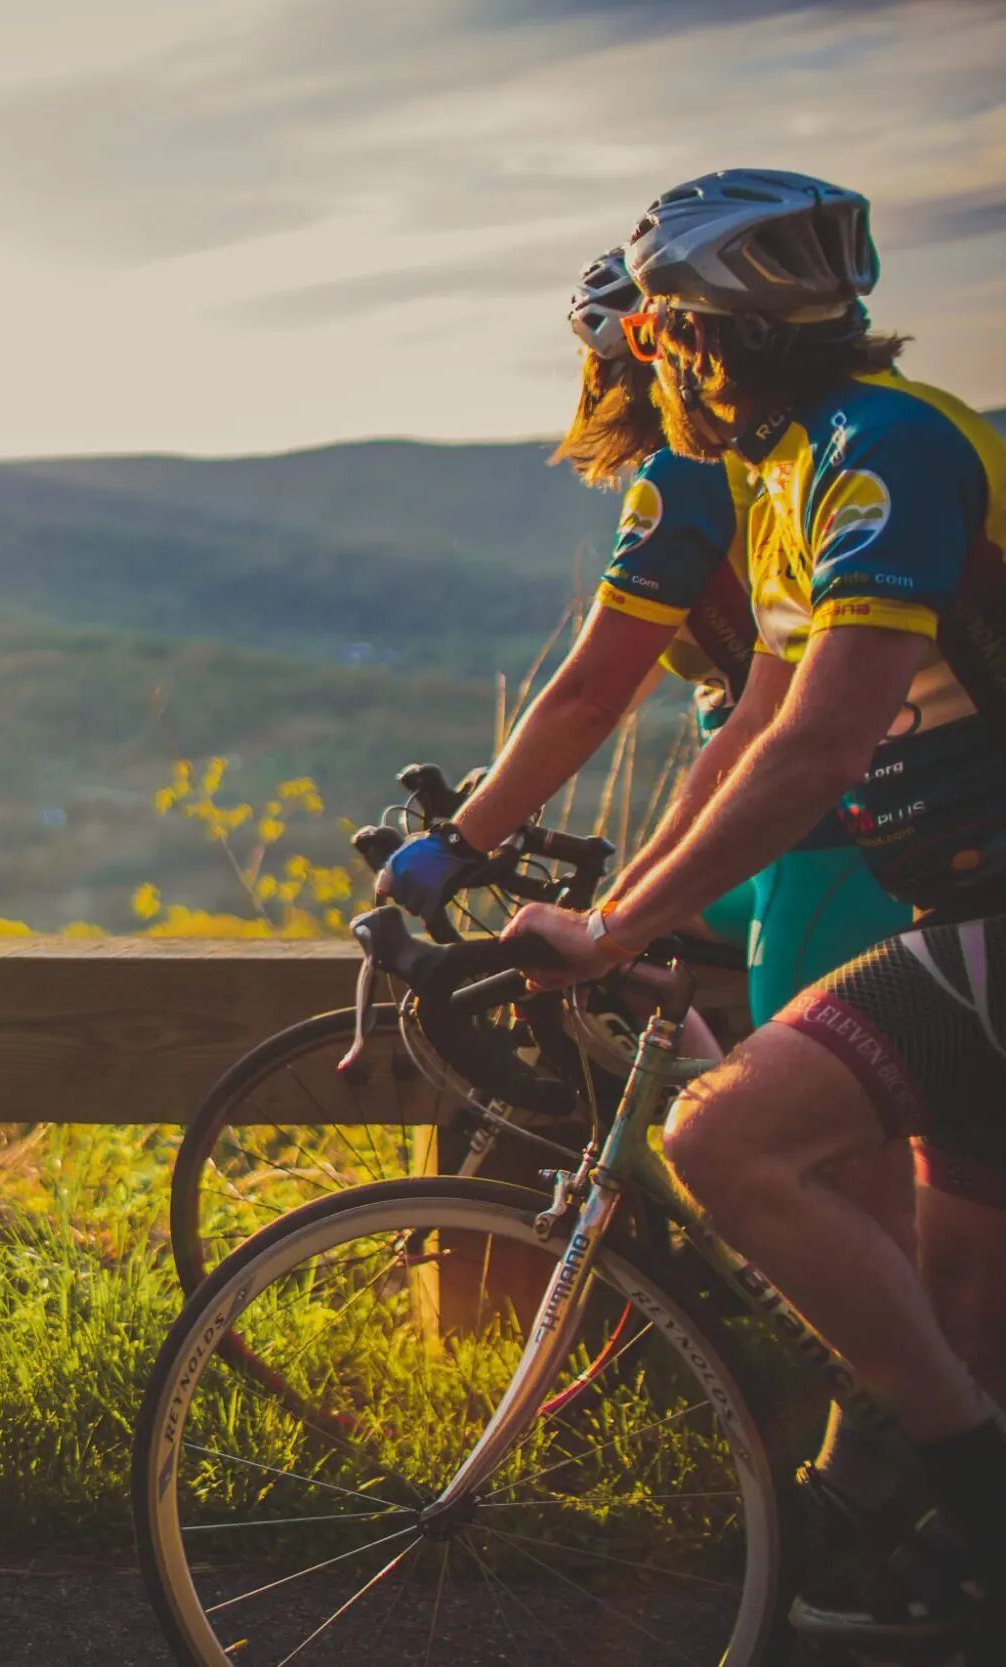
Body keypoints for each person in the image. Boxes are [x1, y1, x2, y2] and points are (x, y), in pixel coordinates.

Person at [503, 169, 1006, 1646]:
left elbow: (822, 740)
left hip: (991, 912)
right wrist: (637, 913)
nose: (647, 364)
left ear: (714, 335)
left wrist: (609, 930)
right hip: (966, 908)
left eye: (658, 333)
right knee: (962, 1293)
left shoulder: (886, 451)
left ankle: (965, 1511)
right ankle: (933, 1553)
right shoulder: (799, 470)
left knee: (726, 1130)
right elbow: (745, 733)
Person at [378, 247, 909, 1021]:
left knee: (800, 1127)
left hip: (825, 822)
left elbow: (592, 695)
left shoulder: (688, 477)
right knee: (651, 938)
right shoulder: (775, 458)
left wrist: (463, 838)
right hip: (823, 797)